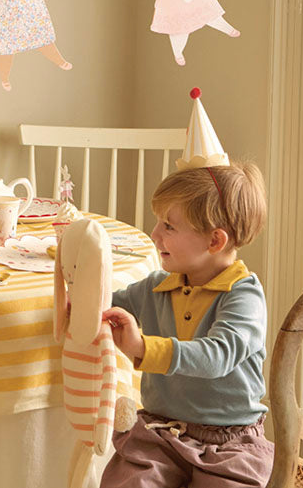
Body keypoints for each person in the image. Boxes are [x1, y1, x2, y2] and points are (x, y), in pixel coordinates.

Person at [101, 163, 273, 488]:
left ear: (215, 241)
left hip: (230, 442)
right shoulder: (155, 287)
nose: (155, 234)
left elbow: (217, 356)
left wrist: (143, 348)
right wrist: (80, 302)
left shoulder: (243, 297)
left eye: (168, 226)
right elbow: (105, 306)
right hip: (160, 432)